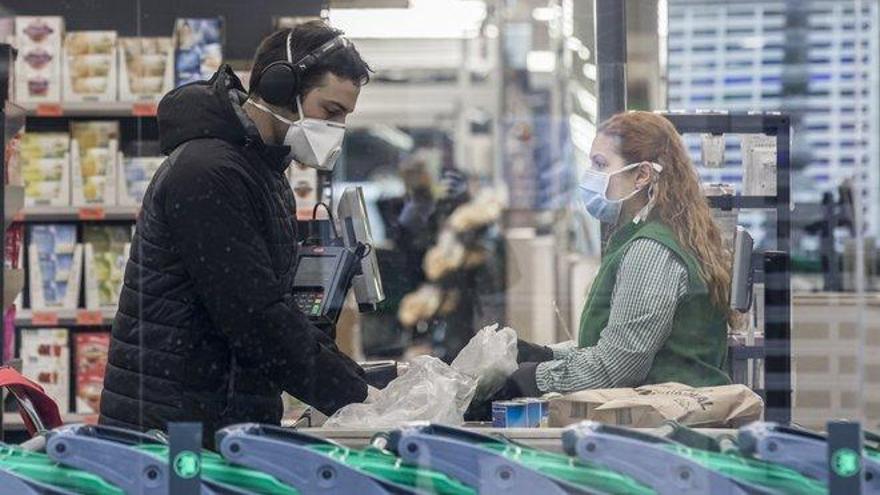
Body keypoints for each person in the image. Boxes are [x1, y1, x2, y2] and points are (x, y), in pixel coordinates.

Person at [100, 21, 373, 442]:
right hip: (173, 435)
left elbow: (278, 311)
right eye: (330, 112)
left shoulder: (261, 171)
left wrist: (357, 381)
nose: (335, 129)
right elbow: (257, 319)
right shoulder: (207, 173)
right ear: (281, 88)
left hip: (216, 421)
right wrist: (362, 399)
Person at [468, 111, 736, 418]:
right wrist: (546, 354)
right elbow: (618, 342)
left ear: (642, 175)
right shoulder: (660, 235)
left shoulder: (651, 250)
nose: (590, 176)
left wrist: (531, 378)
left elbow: (617, 367)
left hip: (669, 433)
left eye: (600, 164)